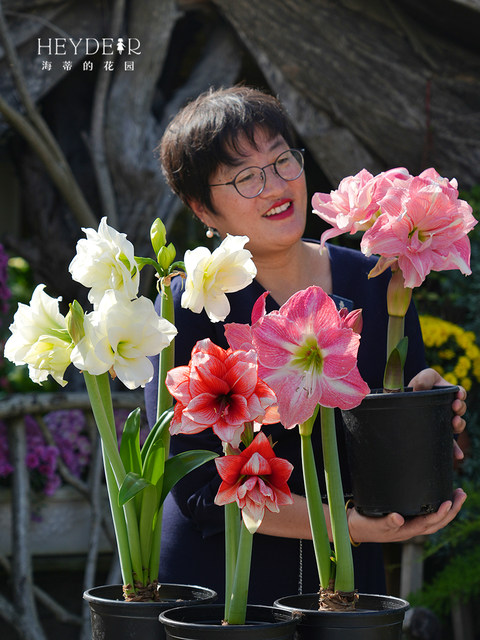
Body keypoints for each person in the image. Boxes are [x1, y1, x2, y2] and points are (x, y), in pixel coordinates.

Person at [145, 86, 467, 604]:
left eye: (282, 160)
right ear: (203, 209)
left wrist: (429, 410)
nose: (275, 186)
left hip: (348, 584)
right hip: (222, 587)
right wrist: (345, 525)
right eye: (245, 176)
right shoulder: (188, 304)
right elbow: (195, 485)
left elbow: (395, 419)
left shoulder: (377, 281)